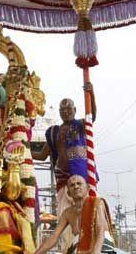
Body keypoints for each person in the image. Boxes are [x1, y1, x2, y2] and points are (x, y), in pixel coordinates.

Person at [31, 83, 97, 217]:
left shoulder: (81, 125)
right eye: (62, 110)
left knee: (88, 214)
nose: (66, 112)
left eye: (69, 109)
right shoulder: (54, 132)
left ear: (75, 110)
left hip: (82, 177)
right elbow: (42, 155)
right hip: (63, 179)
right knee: (65, 215)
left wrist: (92, 95)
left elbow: (92, 117)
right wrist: (23, 150)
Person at [34, 175, 107, 254]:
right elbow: (54, 236)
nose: (76, 187)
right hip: (80, 249)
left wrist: (96, 251)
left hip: (102, 246)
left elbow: (100, 228)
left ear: (87, 188)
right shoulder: (67, 213)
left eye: (79, 183)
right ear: (68, 192)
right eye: (72, 185)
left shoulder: (97, 203)